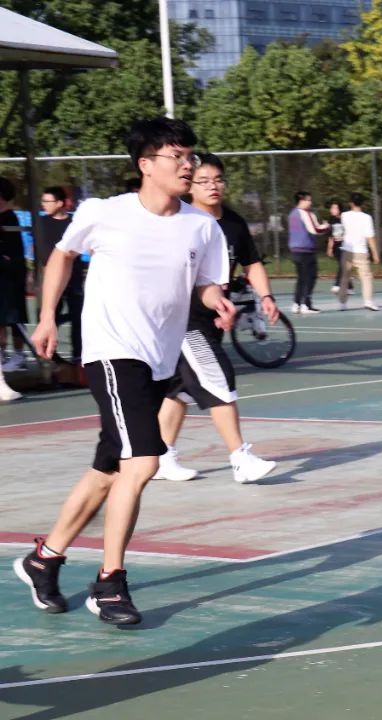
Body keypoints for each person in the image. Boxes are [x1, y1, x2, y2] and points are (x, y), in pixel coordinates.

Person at [14, 117, 233, 626]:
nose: (188, 165)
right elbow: (61, 257)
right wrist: (45, 318)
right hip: (113, 351)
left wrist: (216, 300)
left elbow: (203, 283)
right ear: (145, 165)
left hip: (160, 357)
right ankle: (110, 584)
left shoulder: (202, 226)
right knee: (144, 462)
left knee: (109, 470)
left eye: (191, 156)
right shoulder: (104, 212)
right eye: (177, 157)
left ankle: (44, 558)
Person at [153, 153, 279, 484]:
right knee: (218, 377)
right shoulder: (180, 221)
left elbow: (252, 263)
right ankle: (240, 458)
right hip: (183, 321)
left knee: (181, 390)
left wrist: (266, 297)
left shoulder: (233, 223)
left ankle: (160, 457)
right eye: (204, 181)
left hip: (212, 319)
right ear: (190, 185)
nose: (213, 186)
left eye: (218, 180)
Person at [38, 186, 86, 361]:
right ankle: (50, 355)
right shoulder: (40, 223)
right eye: (43, 201)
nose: (44, 204)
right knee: (50, 315)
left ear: (59, 203)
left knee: (78, 316)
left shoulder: (73, 223)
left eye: (48, 201)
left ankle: (78, 355)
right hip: (50, 279)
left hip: (73, 277)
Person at [0, 177, 30, 371]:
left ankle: (19, 355)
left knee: (14, 316)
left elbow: (12, 254)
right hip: (4, 273)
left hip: (11, 276)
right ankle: (2, 353)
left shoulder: (10, 218)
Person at [336, 192, 380, 311]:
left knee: (345, 277)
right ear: (362, 203)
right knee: (366, 277)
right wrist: (375, 253)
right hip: (361, 252)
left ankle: (342, 303)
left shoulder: (344, 215)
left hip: (347, 250)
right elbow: (370, 237)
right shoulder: (367, 218)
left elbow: (340, 230)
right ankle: (368, 301)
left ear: (350, 203)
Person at [288, 191, 327, 314]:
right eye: (308, 200)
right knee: (310, 277)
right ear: (302, 200)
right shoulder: (306, 213)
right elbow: (315, 229)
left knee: (301, 278)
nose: (310, 202)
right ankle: (306, 304)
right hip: (306, 250)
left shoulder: (292, 213)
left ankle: (296, 304)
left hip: (295, 251)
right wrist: (327, 226)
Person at [326, 201, 351, 296]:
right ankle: (349, 287)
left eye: (334, 208)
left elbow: (350, 231)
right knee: (343, 266)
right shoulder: (331, 220)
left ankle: (337, 284)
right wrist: (329, 248)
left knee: (342, 264)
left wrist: (343, 237)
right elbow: (330, 236)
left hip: (345, 245)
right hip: (336, 247)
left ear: (339, 209)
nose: (332, 210)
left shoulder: (345, 219)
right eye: (331, 208)